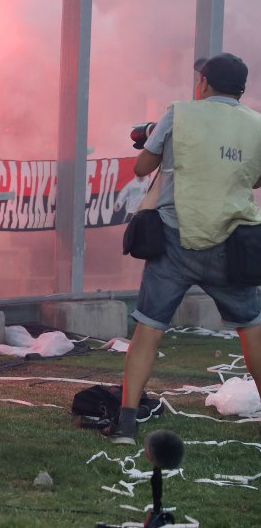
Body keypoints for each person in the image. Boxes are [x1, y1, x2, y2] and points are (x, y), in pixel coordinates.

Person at [108, 53, 261, 445]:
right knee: (252, 329)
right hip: (234, 244)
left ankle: (126, 423)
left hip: (176, 241)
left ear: (204, 84)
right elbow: (254, 179)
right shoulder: (258, 125)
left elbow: (143, 168)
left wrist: (157, 140)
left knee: (148, 329)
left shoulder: (178, 114)